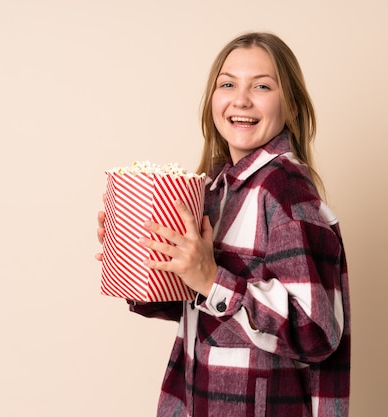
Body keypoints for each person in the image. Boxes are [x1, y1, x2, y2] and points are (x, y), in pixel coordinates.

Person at [96, 31, 350, 417]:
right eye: (227, 83)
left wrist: (212, 279)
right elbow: (203, 304)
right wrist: (139, 257)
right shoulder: (213, 190)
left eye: (262, 86)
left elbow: (316, 333)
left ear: (293, 106)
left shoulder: (286, 192)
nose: (241, 99)